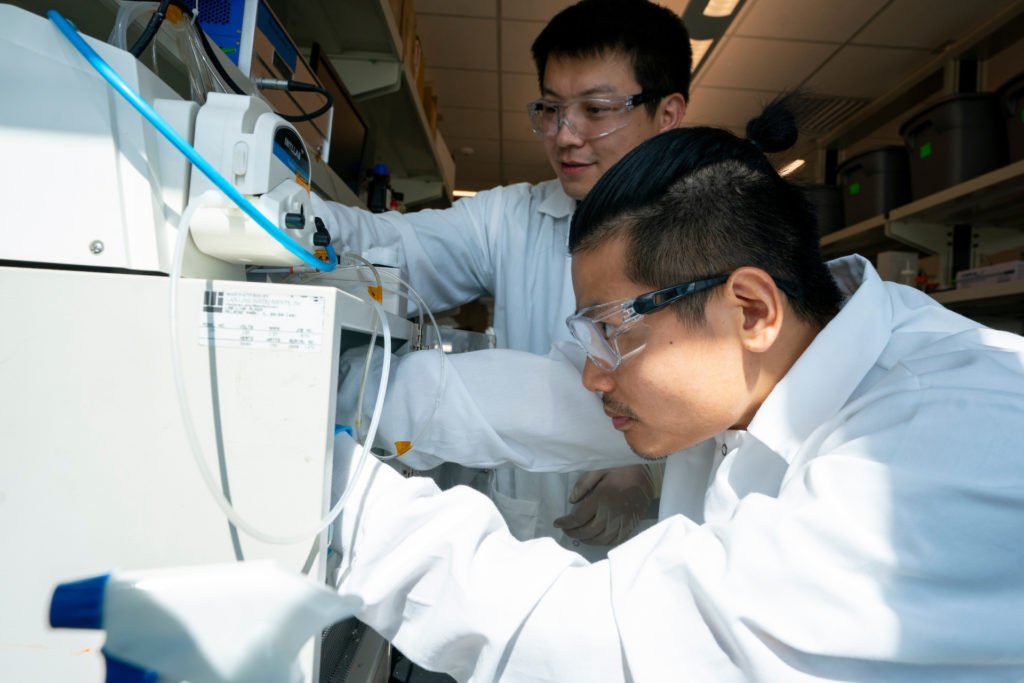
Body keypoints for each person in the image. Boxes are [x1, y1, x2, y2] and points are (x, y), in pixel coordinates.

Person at [329, 98, 1024, 682]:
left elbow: (600, 641)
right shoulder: (759, 361)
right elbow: (543, 398)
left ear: (749, 309)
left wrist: (322, 487)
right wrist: (338, 391)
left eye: (612, 331)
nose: (594, 370)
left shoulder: (928, 452)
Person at [319, 0, 691, 559]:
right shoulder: (514, 217)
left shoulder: (718, 231)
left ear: (667, 113)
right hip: (524, 537)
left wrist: (647, 470)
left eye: (595, 109)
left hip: (648, 559)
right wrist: (274, 202)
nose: (565, 135)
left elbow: (732, 411)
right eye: (550, 108)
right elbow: (387, 245)